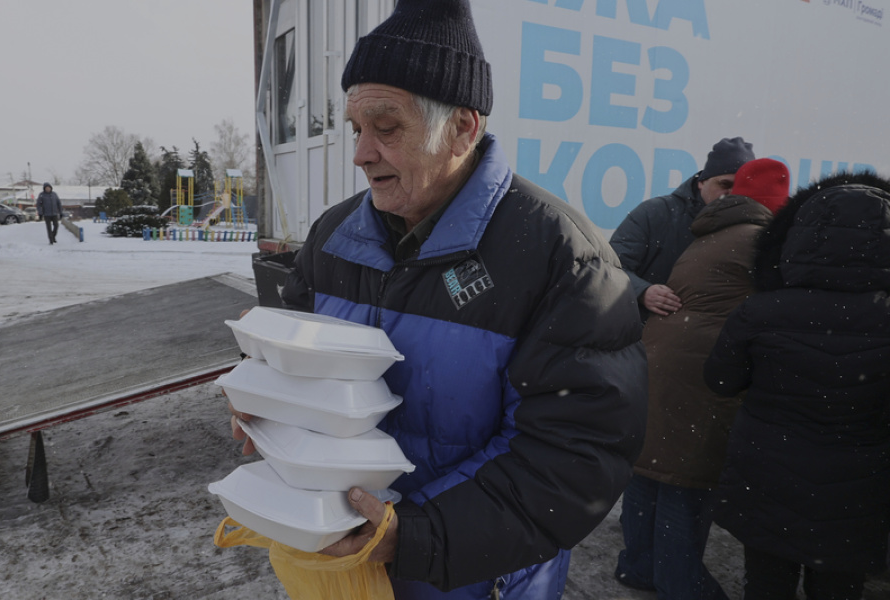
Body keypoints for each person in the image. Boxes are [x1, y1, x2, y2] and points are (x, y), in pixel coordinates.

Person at [228, 1, 648, 597]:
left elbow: (576, 453)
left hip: (477, 580)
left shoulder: (559, 256)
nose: (360, 153)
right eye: (356, 129)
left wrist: (417, 537)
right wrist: (261, 394)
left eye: (387, 127)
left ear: (463, 128)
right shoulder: (332, 237)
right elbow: (290, 368)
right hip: (343, 573)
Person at [704, 171, 890, 600]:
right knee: (840, 588)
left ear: (802, 236)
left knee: (767, 585)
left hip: (767, 477)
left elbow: (718, 380)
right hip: (856, 492)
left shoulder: (761, 310)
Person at [613, 158, 790, 598]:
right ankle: (681, 583)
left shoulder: (711, 231)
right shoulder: (761, 242)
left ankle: (636, 565)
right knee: (686, 479)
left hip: (660, 359)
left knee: (649, 468)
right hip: (701, 372)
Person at [611, 137, 756, 320]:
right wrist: (643, 291)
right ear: (701, 182)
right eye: (724, 184)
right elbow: (610, 267)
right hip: (644, 334)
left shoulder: (752, 228)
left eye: (740, 187)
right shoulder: (655, 213)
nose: (732, 193)